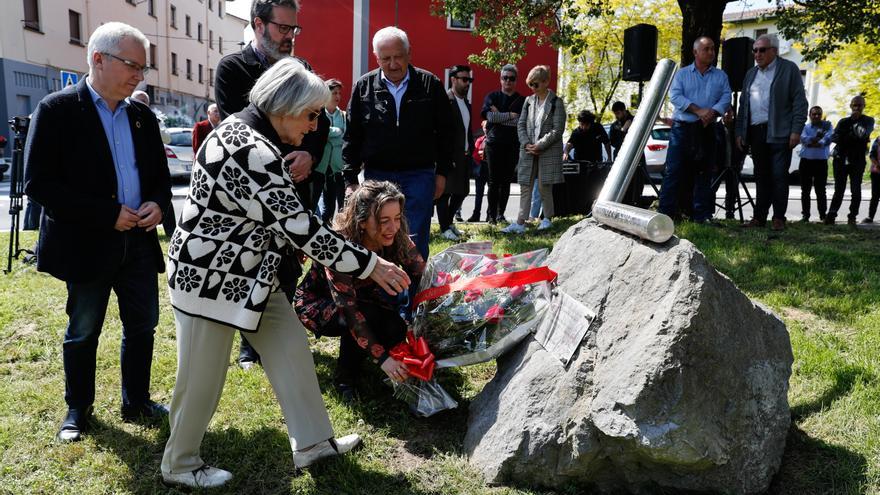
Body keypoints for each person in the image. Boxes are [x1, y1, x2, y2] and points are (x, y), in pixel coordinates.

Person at [160, 58, 412, 489]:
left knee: (292, 347)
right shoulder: (250, 149)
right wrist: (372, 263)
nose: (315, 126)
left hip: (249, 276)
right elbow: (301, 226)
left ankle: (312, 443)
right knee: (201, 377)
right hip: (211, 280)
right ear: (284, 105)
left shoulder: (250, 134)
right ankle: (179, 464)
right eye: (312, 114)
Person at [23, 22, 171, 443]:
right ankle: (78, 408)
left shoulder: (142, 116)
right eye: (132, 65)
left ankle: (137, 400)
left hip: (139, 242)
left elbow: (160, 178)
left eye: (144, 68)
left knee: (143, 325)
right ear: (99, 59)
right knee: (84, 328)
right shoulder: (57, 109)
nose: (139, 76)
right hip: (87, 243)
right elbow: (40, 184)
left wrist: (158, 204)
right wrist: (106, 214)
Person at [214, 0, 330, 368]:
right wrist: (284, 157)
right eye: (283, 28)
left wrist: (308, 153)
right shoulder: (233, 68)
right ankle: (250, 344)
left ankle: (282, 334)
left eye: (295, 29)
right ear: (258, 25)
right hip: (251, 195)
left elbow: (320, 121)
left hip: (297, 181)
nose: (290, 37)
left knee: (287, 265)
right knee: (251, 263)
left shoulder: (302, 69)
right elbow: (242, 126)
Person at [296, 180, 424, 402]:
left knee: (396, 327)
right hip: (319, 304)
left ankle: (359, 360)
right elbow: (348, 310)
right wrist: (383, 359)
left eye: (397, 218)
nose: (393, 228)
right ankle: (344, 379)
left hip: (365, 302)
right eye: (384, 221)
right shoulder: (340, 245)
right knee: (364, 318)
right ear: (363, 221)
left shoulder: (394, 236)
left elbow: (422, 272)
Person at [343, 26, 453, 260]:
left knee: (413, 239)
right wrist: (350, 179)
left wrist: (442, 173)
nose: (393, 64)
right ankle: (382, 294)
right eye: (386, 59)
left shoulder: (429, 84)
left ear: (409, 53)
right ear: (377, 58)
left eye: (398, 57)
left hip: (419, 175)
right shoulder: (364, 87)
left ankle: (412, 295)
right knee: (379, 237)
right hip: (377, 175)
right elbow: (352, 135)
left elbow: (447, 132)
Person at [736, 33, 808, 231]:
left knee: (778, 176)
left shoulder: (788, 69)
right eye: (755, 50)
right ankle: (759, 217)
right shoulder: (751, 74)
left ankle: (778, 217)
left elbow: (800, 102)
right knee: (761, 176)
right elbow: (744, 106)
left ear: (774, 51)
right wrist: (740, 131)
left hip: (780, 132)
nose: (757, 54)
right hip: (756, 131)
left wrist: (796, 130)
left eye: (762, 50)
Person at [659, 36, 731, 223]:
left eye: (713, 49)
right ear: (695, 52)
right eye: (706, 49)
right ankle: (664, 215)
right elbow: (674, 96)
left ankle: (701, 216)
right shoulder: (682, 74)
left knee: (705, 173)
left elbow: (726, 97)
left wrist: (713, 112)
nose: (711, 52)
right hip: (682, 129)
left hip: (708, 129)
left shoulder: (721, 76)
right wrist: (699, 111)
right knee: (673, 171)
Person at [500, 65, 566, 234]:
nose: (532, 88)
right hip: (528, 150)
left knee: (545, 186)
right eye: (530, 85)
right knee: (525, 186)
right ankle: (520, 222)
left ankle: (547, 219)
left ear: (545, 82)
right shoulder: (528, 101)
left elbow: (557, 130)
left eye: (535, 84)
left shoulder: (556, 102)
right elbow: (521, 124)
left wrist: (540, 145)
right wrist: (526, 143)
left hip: (547, 151)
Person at [481, 64, 524, 225]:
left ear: (516, 80)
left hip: (512, 144)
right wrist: (509, 116)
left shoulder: (522, 100)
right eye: (505, 78)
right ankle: (491, 216)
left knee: (506, 182)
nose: (508, 81)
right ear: (500, 79)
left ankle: (501, 214)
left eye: (511, 78)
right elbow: (489, 118)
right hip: (493, 144)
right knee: (493, 181)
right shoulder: (492, 96)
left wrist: (498, 115)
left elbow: (520, 121)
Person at [131, 89, 177, 236]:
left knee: (163, 200)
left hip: (155, 166)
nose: (141, 104)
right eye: (138, 100)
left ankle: (171, 231)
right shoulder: (126, 114)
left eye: (144, 102)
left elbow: (167, 139)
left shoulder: (152, 117)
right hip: (135, 168)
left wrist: (157, 124)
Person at [437, 64, 474, 241]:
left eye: (469, 80)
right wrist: (445, 156)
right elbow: (440, 132)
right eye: (464, 79)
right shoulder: (446, 100)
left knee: (462, 191)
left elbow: (466, 130)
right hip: (449, 155)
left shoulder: (466, 103)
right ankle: (444, 228)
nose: (468, 83)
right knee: (445, 192)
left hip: (465, 155)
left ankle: (449, 222)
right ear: (453, 79)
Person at [826, 95, 874, 225]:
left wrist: (849, 133)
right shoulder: (843, 121)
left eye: (860, 105)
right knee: (839, 189)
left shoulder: (869, 120)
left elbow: (863, 133)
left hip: (857, 160)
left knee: (856, 190)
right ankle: (831, 215)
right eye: (854, 105)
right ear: (850, 106)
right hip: (841, 159)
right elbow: (834, 137)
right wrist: (853, 134)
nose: (857, 108)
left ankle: (852, 216)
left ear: (864, 106)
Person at [316, 79, 346, 222]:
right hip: (321, 167)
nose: (337, 96)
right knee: (326, 207)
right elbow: (320, 133)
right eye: (334, 93)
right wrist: (336, 131)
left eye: (339, 93)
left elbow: (345, 137)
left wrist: (329, 134)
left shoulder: (344, 116)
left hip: (338, 168)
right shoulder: (319, 114)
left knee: (343, 206)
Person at [798, 106, 832, 222]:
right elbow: (803, 139)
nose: (816, 116)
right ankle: (805, 215)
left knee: (821, 190)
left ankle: (823, 215)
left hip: (821, 163)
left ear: (821, 115)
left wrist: (811, 141)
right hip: (806, 162)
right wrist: (818, 139)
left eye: (819, 114)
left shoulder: (827, 126)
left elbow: (827, 140)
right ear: (810, 115)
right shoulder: (804, 127)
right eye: (814, 114)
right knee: (805, 190)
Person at [608, 100, 645, 207]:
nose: (617, 116)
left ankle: (636, 201)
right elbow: (614, 142)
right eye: (615, 114)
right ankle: (622, 200)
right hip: (620, 155)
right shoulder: (615, 125)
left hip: (636, 154)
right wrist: (623, 130)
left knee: (637, 178)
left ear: (624, 111)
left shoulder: (636, 120)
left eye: (618, 113)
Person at [467, 121, 489, 222]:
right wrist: (480, 155)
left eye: (487, 127)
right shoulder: (480, 140)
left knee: (491, 193)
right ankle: (476, 214)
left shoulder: (492, 140)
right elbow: (475, 154)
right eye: (485, 127)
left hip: (490, 168)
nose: (486, 129)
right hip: (481, 168)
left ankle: (490, 214)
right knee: (478, 193)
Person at [864, 136, 880, 223]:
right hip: (876, 172)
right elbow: (872, 155)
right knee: (875, 196)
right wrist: (877, 165)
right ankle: (870, 216)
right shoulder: (878, 140)